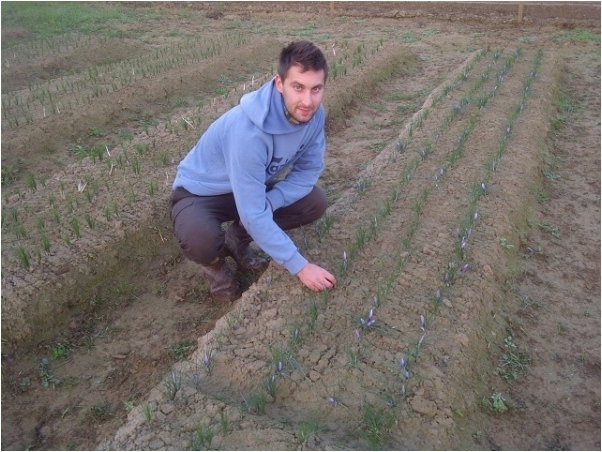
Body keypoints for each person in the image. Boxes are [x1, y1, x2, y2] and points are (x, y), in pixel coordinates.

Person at [169, 41, 337, 302]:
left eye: (316, 89)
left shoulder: (314, 116)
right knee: (200, 238)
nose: (308, 100)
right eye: (298, 87)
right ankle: (217, 269)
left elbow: (308, 170)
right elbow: (252, 211)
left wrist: (272, 201)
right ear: (279, 84)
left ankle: (238, 240)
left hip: (249, 186)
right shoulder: (248, 132)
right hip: (201, 193)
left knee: (313, 202)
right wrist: (301, 267)